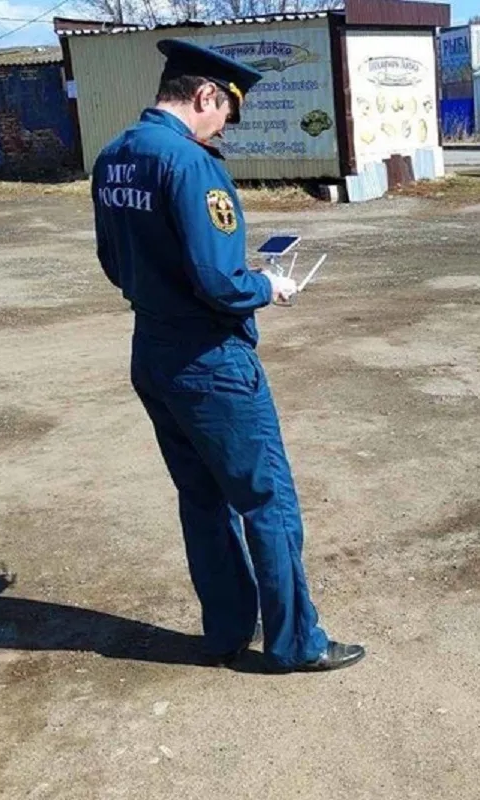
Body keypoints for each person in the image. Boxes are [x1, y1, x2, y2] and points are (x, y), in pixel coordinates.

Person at [90, 38, 364, 673]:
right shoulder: (190, 164)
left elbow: (112, 260)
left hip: (152, 349)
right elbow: (220, 281)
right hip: (211, 360)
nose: (224, 128)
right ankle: (297, 642)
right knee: (267, 500)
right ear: (205, 95)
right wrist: (267, 285)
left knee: (201, 499)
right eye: (225, 114)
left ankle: (226, 630)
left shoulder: (114, 156)